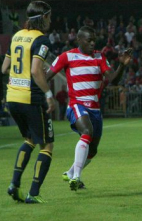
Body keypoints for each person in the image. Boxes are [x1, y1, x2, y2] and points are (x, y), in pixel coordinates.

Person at [46, 26, 132, 191]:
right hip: (76, 104)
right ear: (79, 40)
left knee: (93, 150)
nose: (93, 43)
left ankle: (71, 173)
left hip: (95, 109)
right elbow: (47, 75)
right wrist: (41, 91)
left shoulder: (99, 57)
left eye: (94, 40)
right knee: (87, 131)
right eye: (89, 40)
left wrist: (122, 65)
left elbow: (113, 80)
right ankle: (77, 178)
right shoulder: (67, 56)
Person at [2, 1, 55, 203]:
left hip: (12, 97)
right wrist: (48, 94)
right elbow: (35, 70)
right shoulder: (42, 40)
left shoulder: (17, 36)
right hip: (30, 97)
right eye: (49, 17)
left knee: (29, 140)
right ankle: (33, 193)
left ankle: (14, 184)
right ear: (43, 18)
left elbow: (4, 67)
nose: (50, 21)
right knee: (46, 145)